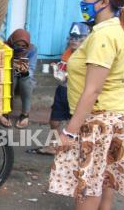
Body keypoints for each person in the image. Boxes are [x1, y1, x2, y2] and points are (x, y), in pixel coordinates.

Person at [49, 0, 124, 210]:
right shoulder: (115, 28)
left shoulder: (103, 36)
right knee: (104, 182)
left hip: (101, 120)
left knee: (89, 189)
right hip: (116, 115)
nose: (83, 1)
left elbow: (93, 90)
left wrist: (70, 132)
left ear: (104, 2)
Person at [27, 22, 90, 155]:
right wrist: (59, 71)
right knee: (54, 121)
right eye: (72, 38)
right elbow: (63, 72)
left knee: (77, 121)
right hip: (62, 90)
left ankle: (78, 149)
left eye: (78, 38)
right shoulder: (67, 53)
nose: (74, 41)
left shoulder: (88, 55)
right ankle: (52, 146)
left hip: (77, 92)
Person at [0, 29, 37, 128]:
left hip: (24, 76)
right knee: (11, 79)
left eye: (23, 46)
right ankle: (4, 112)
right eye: (17, 45)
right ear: (12, 42)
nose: (20, 48)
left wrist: (24, 70)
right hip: (8, 76)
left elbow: (32, 68)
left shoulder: (32, 49)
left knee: (27, 81)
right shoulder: (4, 47)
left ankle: (25, 114)